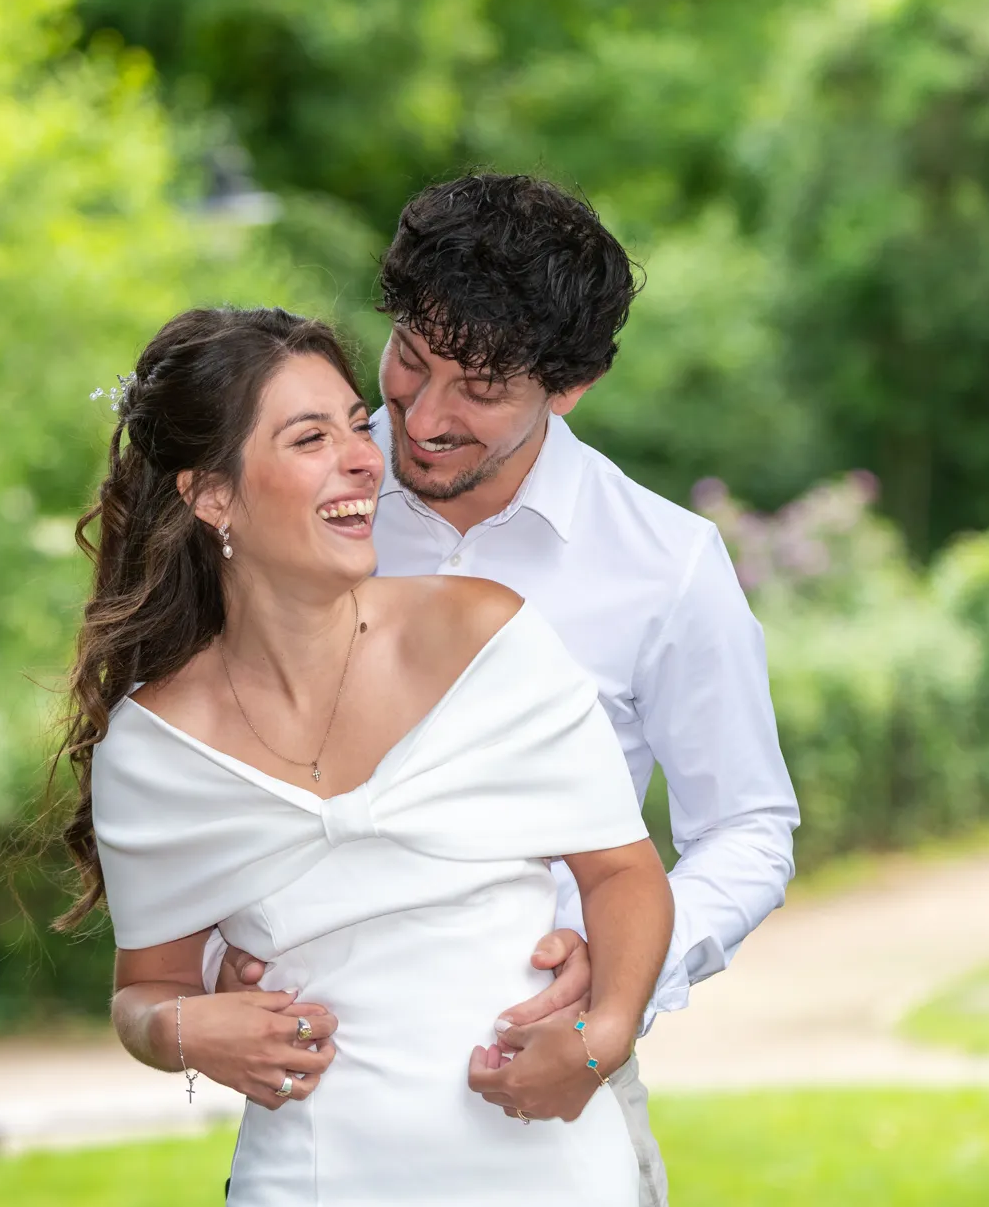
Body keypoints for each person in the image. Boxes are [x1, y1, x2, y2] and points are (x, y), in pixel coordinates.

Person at [208, 174, 801, 1207]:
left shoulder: (664, 563)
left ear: (566, 387)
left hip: (554, 1088)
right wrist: (218, 958)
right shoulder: (288, 514)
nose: (422, 418)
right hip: (322, 1110)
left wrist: (615, 992)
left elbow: (749, 826)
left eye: (478, 390)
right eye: (410, 360)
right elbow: (204, 756)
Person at [54, 305, 675, 1205]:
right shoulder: (156, 747)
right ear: (211, 495)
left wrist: (602, 1036)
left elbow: (623, 871)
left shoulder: (484, 633)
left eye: (355, 423)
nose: (362, 456)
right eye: (310, 437)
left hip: (554, 1167)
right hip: (310, 1178)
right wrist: (186, 1032)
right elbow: (145, 992)